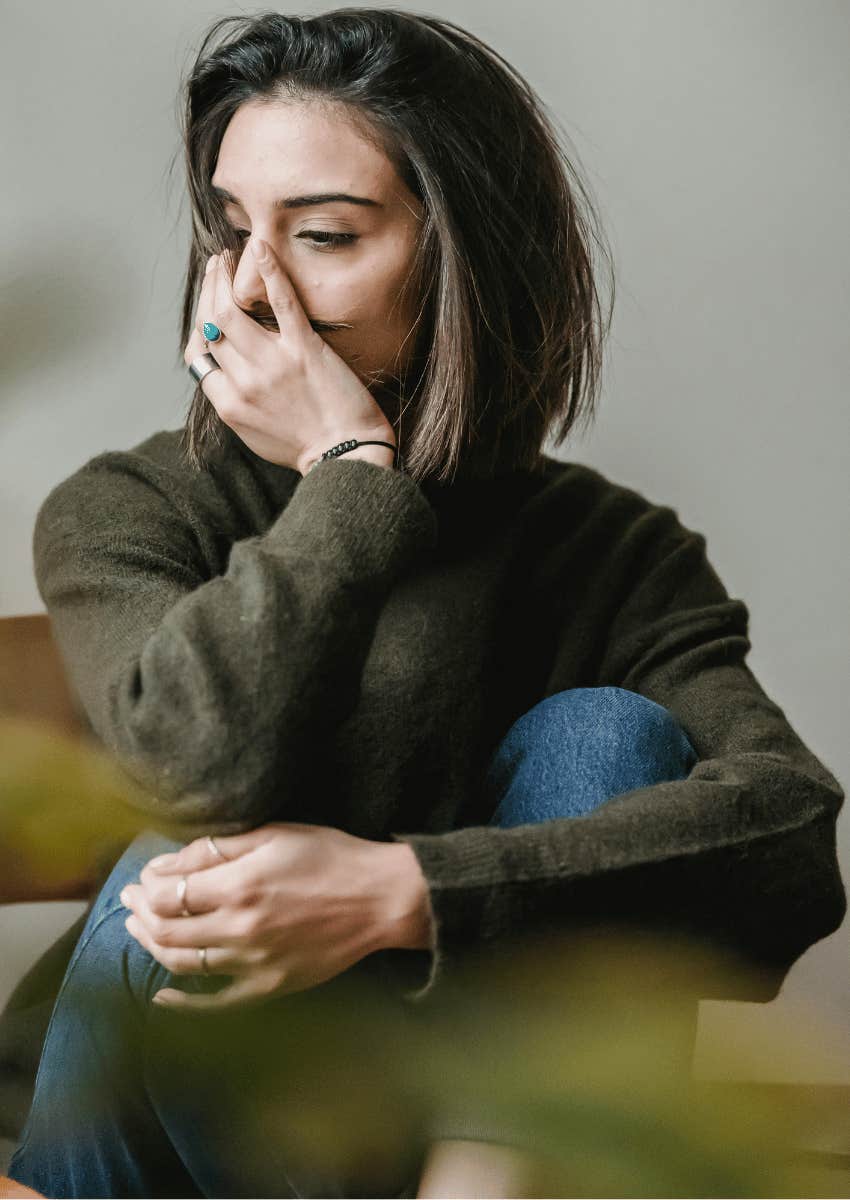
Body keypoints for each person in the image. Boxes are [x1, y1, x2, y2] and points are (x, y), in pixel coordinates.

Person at [6, 7, 846, 1198]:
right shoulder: (130, 508)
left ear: (466, 256)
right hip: (154, 1126)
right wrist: (350, 478)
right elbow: (193, 776)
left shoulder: (603, 552)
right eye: (231, 230)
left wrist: (401, 894)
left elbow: (787, 842)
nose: (251, 290)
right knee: (186, 864)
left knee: (605, 734)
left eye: (326, 236)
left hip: (460, 1137)